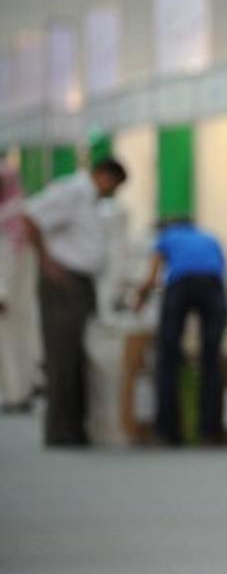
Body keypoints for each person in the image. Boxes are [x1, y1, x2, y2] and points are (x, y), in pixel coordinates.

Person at [22, 157, 127, 446]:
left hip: (80, 284)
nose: (113, 193)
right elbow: (30, 217)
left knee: (79, 357)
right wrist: (46, 262)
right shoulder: (72, 190)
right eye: (114, 186)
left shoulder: (89, 198)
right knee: (62, 357)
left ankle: (76, 428)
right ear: (104, 176)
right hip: (63, 284)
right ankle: (60, 431)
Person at [133, 218, 227, 445]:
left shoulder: (166, 237)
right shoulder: (209, 238)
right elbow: (220, 270)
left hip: (180, 284)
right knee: (211, 358)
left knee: (167, 356)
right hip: (213, 286)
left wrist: (139, 299)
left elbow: (152, 277)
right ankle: (211, 432)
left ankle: (167, 433)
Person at [0, 166, 42, 413]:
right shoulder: (21, 213)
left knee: (11, 345)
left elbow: (7, 260)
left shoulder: (9, 217)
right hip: (21, 301)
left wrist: (2, 292)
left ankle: (16, 394)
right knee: (22, 343)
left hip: (9, 298)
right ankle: (19, 392)